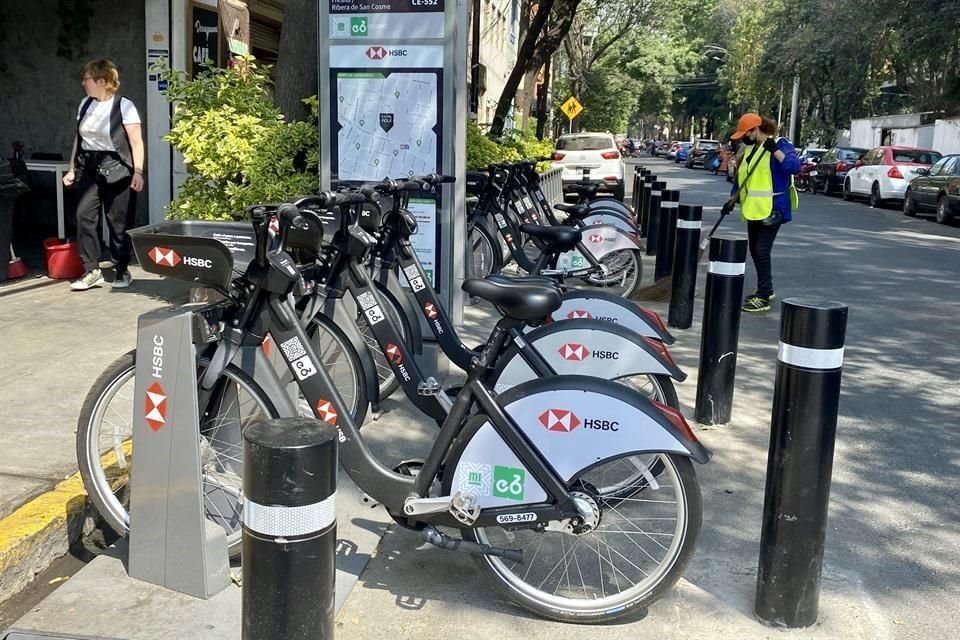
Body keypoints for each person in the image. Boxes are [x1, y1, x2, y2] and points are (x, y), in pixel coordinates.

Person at [63, 59, 145, 291]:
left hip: (117, 167)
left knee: (118, 222)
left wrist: (137, 171)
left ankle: (121, 268)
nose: (83, 83)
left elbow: (136, 142)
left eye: (87, 78)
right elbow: (78, 140)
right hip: (89, 166)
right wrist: (71, 169)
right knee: (83, 216)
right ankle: (92, 270)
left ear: (102, 81)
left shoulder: (124, 106)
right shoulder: (84, 104)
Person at [722, 113, 799, 313]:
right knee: (755, 250)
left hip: (773, 208)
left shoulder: (780, 144)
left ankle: (763, 296)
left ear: (755, 130)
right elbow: (743, 179)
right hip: (754, 208)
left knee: (762, 250)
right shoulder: (750, 149)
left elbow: (794, 167)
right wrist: (732, 200)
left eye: (746, 134)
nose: (743, 138)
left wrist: (775, 152)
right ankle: (767, 288)